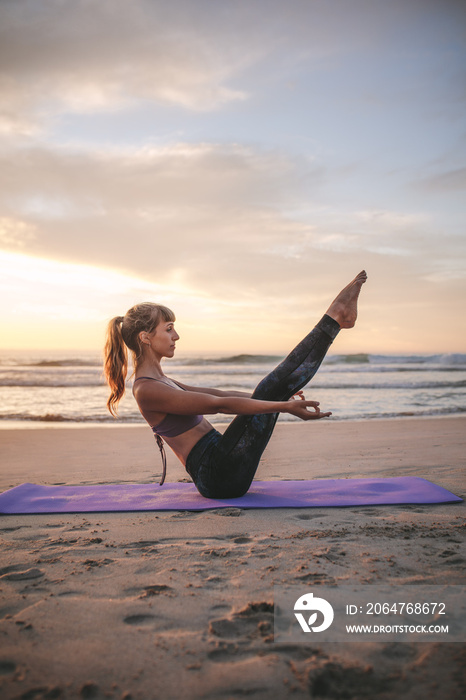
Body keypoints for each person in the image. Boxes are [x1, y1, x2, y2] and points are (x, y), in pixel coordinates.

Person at [104, 271, 367, 498]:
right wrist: (282, 406)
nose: (176, 336)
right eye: (169, 329)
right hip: (217, 475)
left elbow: (220, 393)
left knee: (267, 390)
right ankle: (335, 318)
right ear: (145, 338)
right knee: (268, 389)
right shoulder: (147, 389)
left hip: (222, 463)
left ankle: (336, 318)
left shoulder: (162, 380)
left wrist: (276, 401)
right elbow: (218, 405)